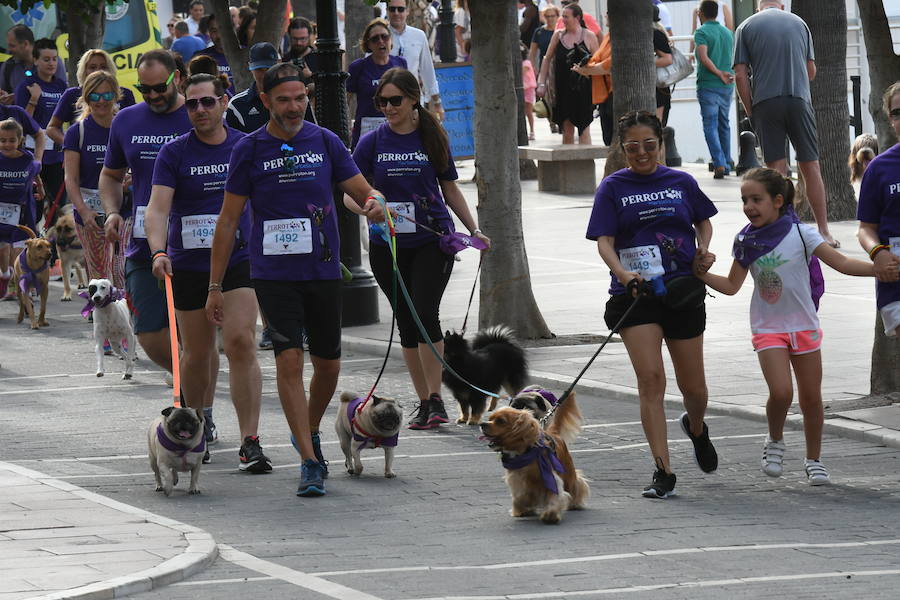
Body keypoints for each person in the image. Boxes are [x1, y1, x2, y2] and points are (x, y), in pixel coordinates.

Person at [208, 63, 384, 497]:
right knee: (289, 361)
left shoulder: (324, 141)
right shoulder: (249, 149)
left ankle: (307, 430)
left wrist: (376, 201)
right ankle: (309, 460)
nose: (293, 107)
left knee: (329, 365)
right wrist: (214, 286)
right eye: (283, 99)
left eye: (300, 98)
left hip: (322, 267)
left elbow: (362, 190)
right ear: (265, 100)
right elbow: (229, 221)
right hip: (272, 272)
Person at [696, 168, 877, 485]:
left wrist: (880, 270)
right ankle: (775, 440)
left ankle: (814, 459)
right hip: (768, 329)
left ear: (778, 201)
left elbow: (843, 264)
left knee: (810, 399)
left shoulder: (802, 233)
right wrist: (699, 275)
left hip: (804, 325)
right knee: (781, 392)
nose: (749, 206)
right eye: (744, 200)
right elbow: (731, 285)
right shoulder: (745, 241)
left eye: (756, 199)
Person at [585, 111, 719, 499]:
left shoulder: (681, 181)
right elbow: (604, 241)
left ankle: (696, 427)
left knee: (695, 388)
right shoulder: (613, 187)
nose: (641, 153)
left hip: (682, 289)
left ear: (660, 143)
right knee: (651, 379)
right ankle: (663, 469)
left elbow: (704, 221)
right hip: (637, 294)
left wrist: (704, 251)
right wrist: (623, 274)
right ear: (621, 148)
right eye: (632, 147)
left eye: (649, 145)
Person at [351, 67, 490, 431]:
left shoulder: (432, 137)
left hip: (432, 239)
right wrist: (368, 206)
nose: (388, 107)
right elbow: (350, 194)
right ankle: (425, 402)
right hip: (388, 246)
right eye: (382, 101)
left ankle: (436, 398)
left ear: (414, 98)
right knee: (407, 323)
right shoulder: (371, 143)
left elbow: (451, 189)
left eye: (395, 100)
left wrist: (474, 230)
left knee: (426, 312)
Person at [145, 73, 270, 473]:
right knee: (196, 353)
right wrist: (158, 250)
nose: (200, 110)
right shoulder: (174, 152)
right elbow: (158, 208)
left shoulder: (244, 146)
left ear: (223, 102)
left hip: (238, 261)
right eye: (192, 104)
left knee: (240, 341)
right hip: (190, 264)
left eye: (208, 102)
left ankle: (250, 440)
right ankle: (196, 426)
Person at [100, 50, 192, 382]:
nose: (152, 96)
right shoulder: (126, 120)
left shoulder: (200, 115)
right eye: (144, 89)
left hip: (195, 241)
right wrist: (112, 211)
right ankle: (186, 372)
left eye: (159, 88)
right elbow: (110, 175)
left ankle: (194, 392)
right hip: (143, 243)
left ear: (177, 78)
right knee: (149, 333)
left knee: (197, 333)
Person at [734, 0, 837, 247]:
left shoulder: (745, 27)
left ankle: (782, 230)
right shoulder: (800, 24)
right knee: (811, 166)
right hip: (799, 100)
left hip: (766, 103)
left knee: (776, 170)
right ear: (781, 5)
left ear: (759, 7)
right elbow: (810, 71)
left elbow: (740, 74)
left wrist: (751, 111)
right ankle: (823, 231)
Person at [62, 70, 124, 289]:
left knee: (121, 269)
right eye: (95, 96)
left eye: (107, 96)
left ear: (116, 95)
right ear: (86, 98)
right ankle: (102, 315)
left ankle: (125, 317)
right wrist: (83, 211)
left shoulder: (125, 126)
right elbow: (71, 178)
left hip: (123, 210)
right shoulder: (77, 132)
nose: (101, 102)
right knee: (98, 272)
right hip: (90, 213)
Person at [857, 82, 900, 340]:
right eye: (897, 113)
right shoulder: (879, 168)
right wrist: (877, 253)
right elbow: (865, 229)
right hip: (895, 281)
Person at [15, 38, 66, 225]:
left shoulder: (61, 86)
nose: (51, 63)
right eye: (46, 59)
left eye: (54, 59)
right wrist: (34, 99)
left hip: (57, 157)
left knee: (58, 207)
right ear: (35, 60)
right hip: (33, 155)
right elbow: (20, 123)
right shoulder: (27, 86)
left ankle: (54, 251)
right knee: (34, 208)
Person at [46, 49, 137, 148]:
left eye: (103, 67)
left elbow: (135, 128)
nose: (98, 71)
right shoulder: (72, 94)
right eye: (92, 67)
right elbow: (51, 128)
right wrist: (72, 146)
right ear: (84, 71)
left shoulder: (125, 94)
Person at [536, 3, 599, 145]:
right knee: (567, 128)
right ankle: (568, 165)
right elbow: (546, 59)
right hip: (562, 88)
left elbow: (597, 62)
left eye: (566, 16)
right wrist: (541, 83)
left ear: (577, 18)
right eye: (562, 16)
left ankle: (585, 165)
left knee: (584, 128)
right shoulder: (558, 35)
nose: (562, 19)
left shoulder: (589, 36)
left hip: (583, 89)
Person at [347, 19, 407, 149]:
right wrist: (346, 123)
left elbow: (408, 97)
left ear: (390, 40)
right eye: (375, 39)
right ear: (368, 44)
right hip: (366, 128)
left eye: (384, 37)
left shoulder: (400, 63)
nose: (381, 41)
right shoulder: (358, 67)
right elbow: (347, 98)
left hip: (394, 125)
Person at [0, 118, 42, 295]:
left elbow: (35, 172)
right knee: (2, 250)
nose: (7, 144)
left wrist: (39, 186)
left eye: (12, 140)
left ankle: (23, 286)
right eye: (2, 140)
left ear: (20, 140)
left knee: (19, 252)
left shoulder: (28, 158)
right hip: (1, 211)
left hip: (22, 212)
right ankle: (5, 275)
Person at [693, 0, 734, 179]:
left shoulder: (701, 32)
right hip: (727, 84)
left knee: (710, 125)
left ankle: (719, 163)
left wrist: (718, 73)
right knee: (724, 123)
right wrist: (725, 75)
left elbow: (703, 57)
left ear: (701, 13)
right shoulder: (727, 32)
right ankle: (726, 161)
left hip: (709, 84)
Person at [386, 0, 443, 120]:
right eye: (392, 9)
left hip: (413, 100)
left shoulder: (419, 36)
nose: (396, 13)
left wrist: (437, 102)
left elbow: (427, 71)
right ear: (387, 11)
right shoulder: (380, 36)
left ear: (407, 11)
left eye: (400, 9)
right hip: (387, 104)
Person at [0, 25, 67, 103]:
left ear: (25, 44)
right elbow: (3, 93)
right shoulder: (8, 66)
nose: (9, 49)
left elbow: (62, 94)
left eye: (12, 46)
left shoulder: (52, 62)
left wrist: (23, 95)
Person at [572, 15, 612, 145]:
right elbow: (597, 59)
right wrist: (586, 68)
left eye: (608, 13)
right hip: (604, 95)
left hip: (615, 93)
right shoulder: (608, 36)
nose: (606, 16)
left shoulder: (621, 38)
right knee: (608, 137)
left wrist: (587, 70)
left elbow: (608, 65)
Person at [195, 14, 235, 96]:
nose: (219, 35)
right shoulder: (201, 58)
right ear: (208, 32)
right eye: (214, 31)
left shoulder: (246, 55)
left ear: (232, 30)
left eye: (223, 30)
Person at [652, 7, 673, 126]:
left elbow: (667, 59)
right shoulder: (659, 31)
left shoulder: (655, 33)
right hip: (661, 85)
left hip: (658, 87)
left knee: (657, 125)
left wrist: (646, 64)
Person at [522, 45, 537, 140]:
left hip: (528, 89)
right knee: (524, 112)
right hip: (523, 89)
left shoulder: (526, 63)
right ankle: (525, 131)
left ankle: (532, 131)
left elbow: (522, 72)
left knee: (529, 112)